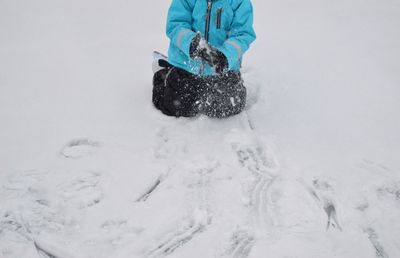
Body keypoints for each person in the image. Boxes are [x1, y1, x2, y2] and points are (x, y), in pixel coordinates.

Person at [152, 0, 256, 118]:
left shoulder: (240, 2)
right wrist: (193, 43)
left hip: (223, 70)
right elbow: (176, 25)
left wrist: (225, 56)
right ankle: (163, 73)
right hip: (187, 66)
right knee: (174, 107)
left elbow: (243, 34)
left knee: (231, 106)